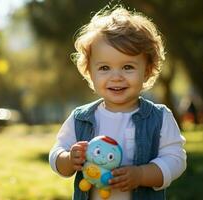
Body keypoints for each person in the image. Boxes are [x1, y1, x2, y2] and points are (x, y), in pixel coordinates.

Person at [49, 4, 186, 200]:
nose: (116, 77)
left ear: (147, 70)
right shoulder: (81, 118)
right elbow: (56, 155)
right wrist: (69, 159)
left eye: (128, 67)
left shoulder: (159, 117)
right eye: (104, 68)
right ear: (89, 71)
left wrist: (142, 175)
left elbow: (176, 159)